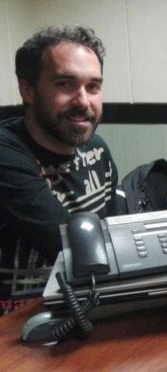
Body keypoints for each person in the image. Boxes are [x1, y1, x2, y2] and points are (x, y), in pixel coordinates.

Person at [0, 26, 120, 314]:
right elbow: (71, 244)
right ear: (28, 90)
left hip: (87, 305)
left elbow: (116, 234)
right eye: (65, 84)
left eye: (93, 87)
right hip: (17, 326)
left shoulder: (97, 149)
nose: (83, 101)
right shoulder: (6, 153)